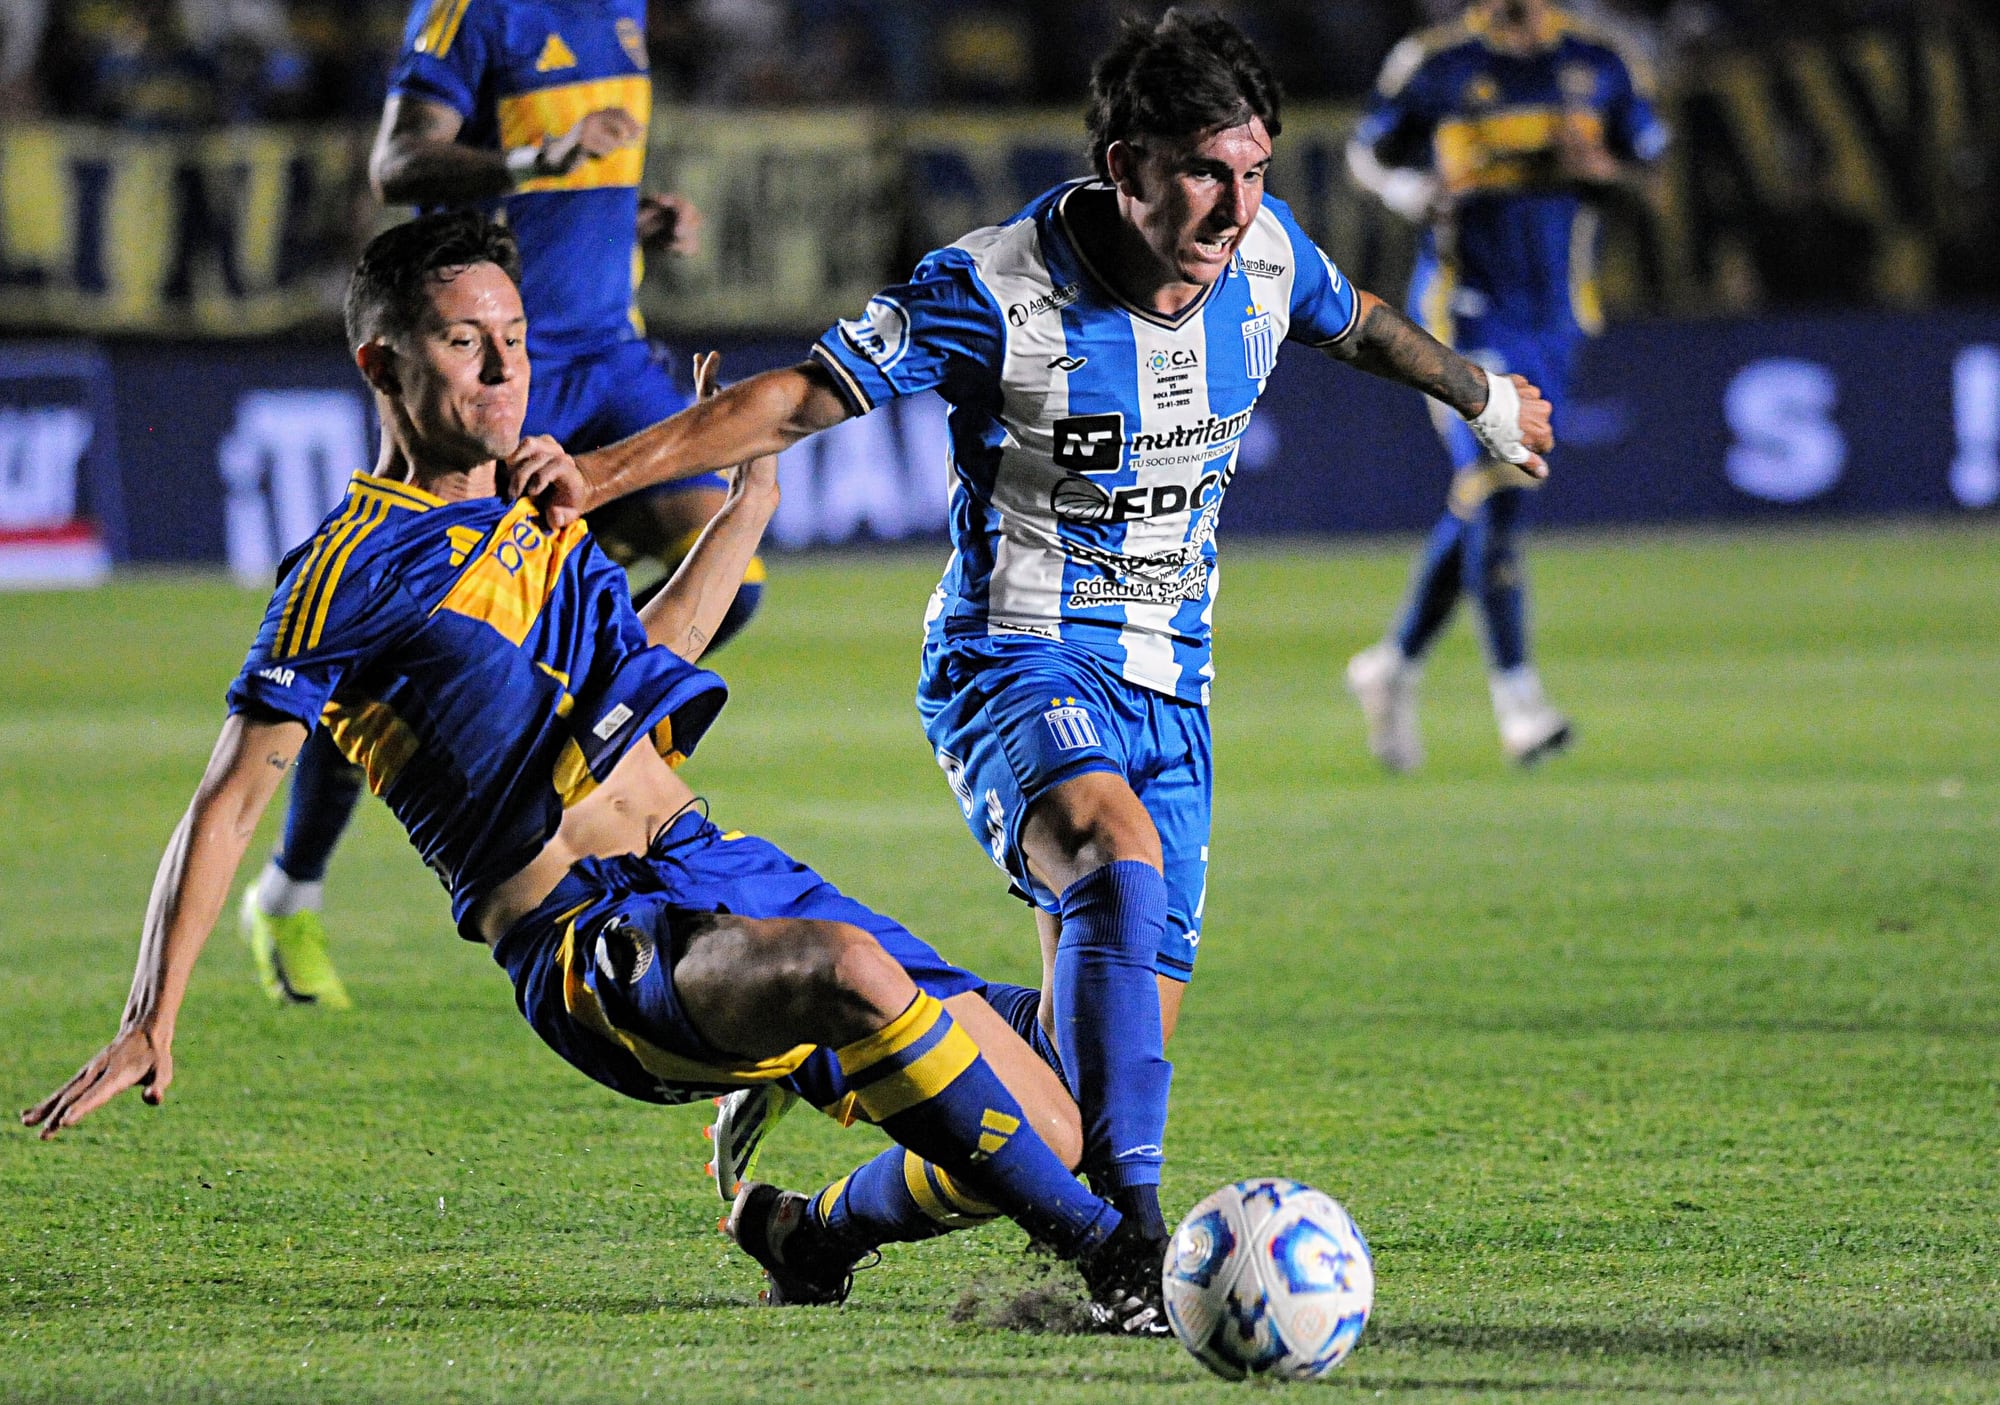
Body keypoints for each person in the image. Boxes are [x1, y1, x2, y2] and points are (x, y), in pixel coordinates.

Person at [505, 9, 1554, 1255]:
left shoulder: (1265, 257)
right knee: (1111, 861)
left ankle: (813, 1226)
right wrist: (602, 468)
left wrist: (1479, 393)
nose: (1233, 207)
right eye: (1204, 175)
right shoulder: (992, 289)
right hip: (1014, 661)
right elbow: (791, 399)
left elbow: (1361, 317)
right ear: (1125, 169)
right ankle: (1141, 1247)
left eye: (1254, 171)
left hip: (1169, 688)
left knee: (1067, 1088)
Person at [21, 211, 1169, 1335]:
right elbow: (230, 801)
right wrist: (148, 1016)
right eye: (464, 341)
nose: (505, 367)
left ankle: (804, 1232)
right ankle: (1117, 1260)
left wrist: (750, 501)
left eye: (515, 337)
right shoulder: (346, 566)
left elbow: (649, 666)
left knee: (1054, 1117)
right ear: (382, 362)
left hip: (719, 869)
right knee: (852, 971)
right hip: (593, 948)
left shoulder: (548, 511)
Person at [240, 0, 764, 1010]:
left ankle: (577, 748)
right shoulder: (472, 13)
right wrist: (541, 160)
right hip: (501, 362)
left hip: (609, 351)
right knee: (388, 642)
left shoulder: (622, 10)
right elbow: (399, 164)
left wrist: (624, 208)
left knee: (728, 572)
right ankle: (289, 887)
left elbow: (576, 176)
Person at [1342, 0, 1666, 770]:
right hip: (1462, 306)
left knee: (1490, 496)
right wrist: (1410, 194)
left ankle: (1392, 665)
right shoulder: (1433, 61)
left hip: (1556, 311)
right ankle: (1518, 699)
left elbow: (1650, 168)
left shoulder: (1601, 60)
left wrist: (1603, 172)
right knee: (1498, 473)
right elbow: (1366, 153)